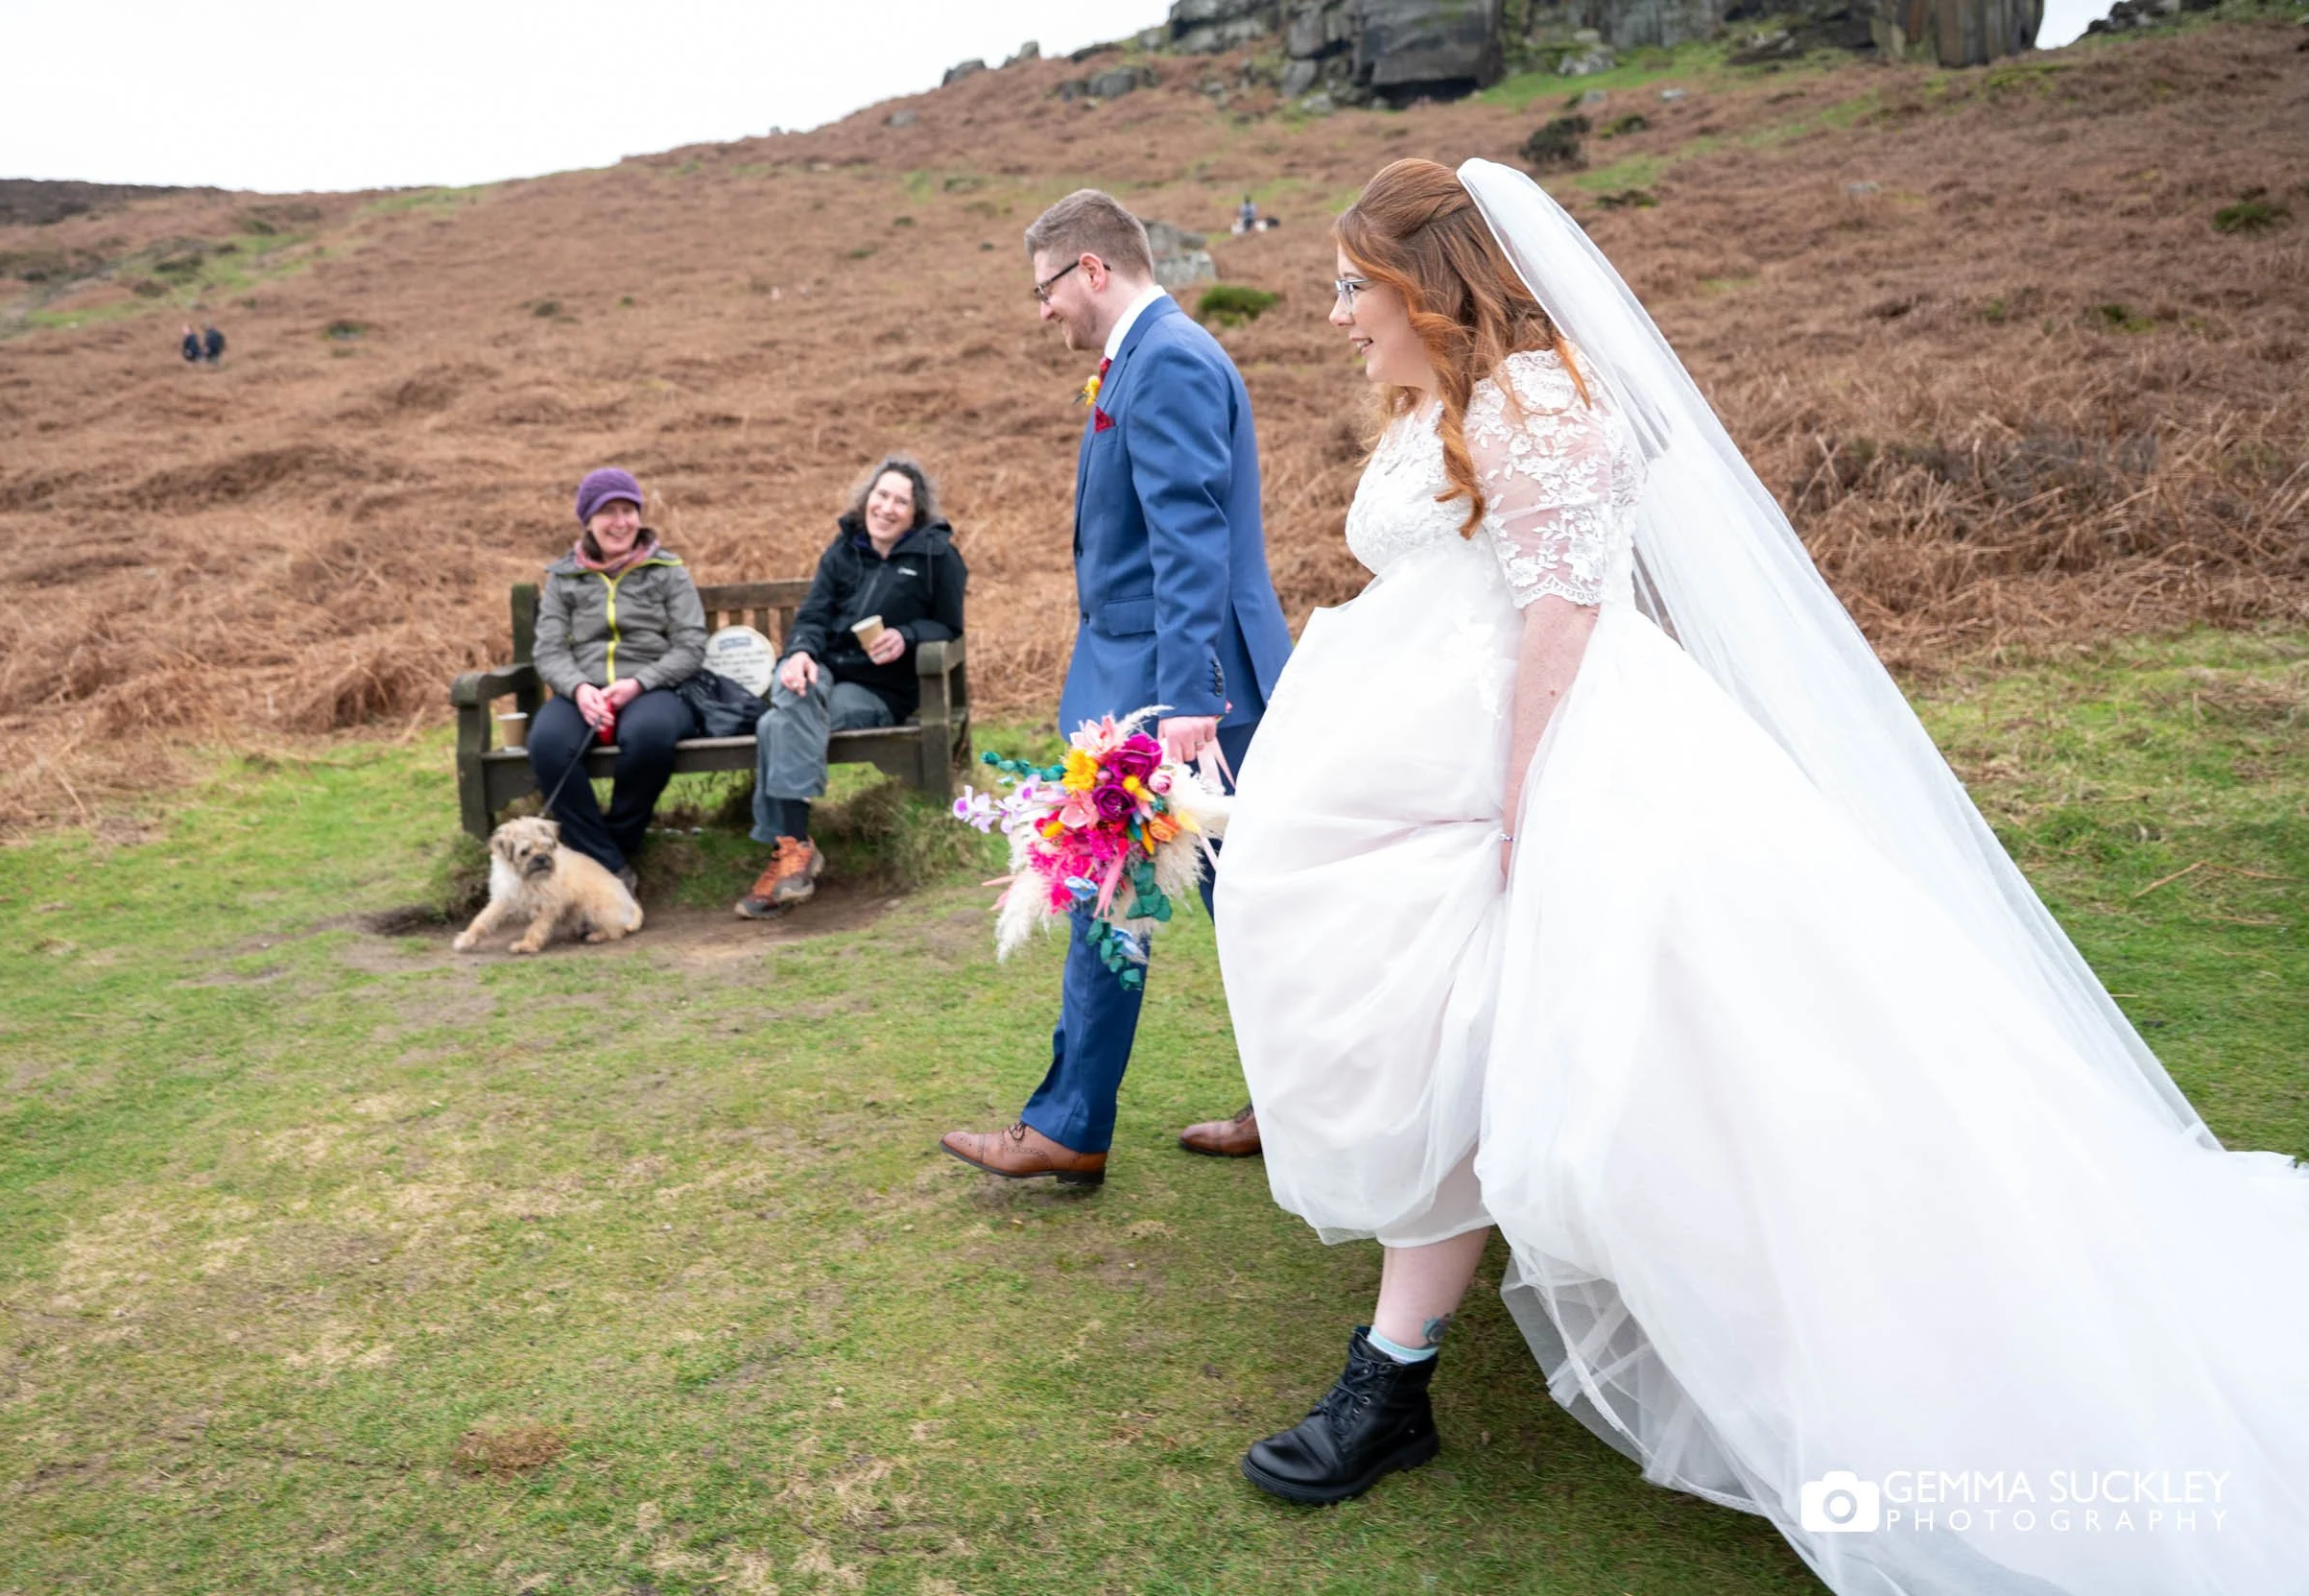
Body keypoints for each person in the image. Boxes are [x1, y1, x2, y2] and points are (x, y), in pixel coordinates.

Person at [1213, 156, 2309, 1588]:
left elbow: (1563, 620)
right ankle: (1397, 1368)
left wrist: (1525, 814)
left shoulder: (1541, 405)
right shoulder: (1450, 400)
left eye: (1353, 283)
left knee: (1645, 1063)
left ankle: (1428, 1373)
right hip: (1430, 774)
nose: (1335, 312)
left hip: (1545, 770)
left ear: (1430, 281)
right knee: (1469, 1041)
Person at [938, 188, 1294, 1186]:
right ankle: (1282, 1104)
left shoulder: (1168, 360)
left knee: (1167, 899)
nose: (1041, 309)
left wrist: (1187, 700)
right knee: (1194, 901)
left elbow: (1191, 540)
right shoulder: (1146, 356)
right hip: (1154, 684)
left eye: (1045, 288)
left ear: (1091, 269)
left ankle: (1078, 1123)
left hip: (1183, 697)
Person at [737, 454, 968, 918]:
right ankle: (797, 849)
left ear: (916, 512)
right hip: (824, 671)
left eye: (900, 501)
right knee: (793, 685)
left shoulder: (937, 556)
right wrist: (800, 652)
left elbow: (949, 626)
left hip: (879, 690)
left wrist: (906, 636)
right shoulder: (843, 550)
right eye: (881, 495)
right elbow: (812, 616)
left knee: (774, 726)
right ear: (867, 498)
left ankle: (791, 850)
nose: (887, 508)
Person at [527, 467, 707, 890]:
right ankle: (609, 865)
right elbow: (549, 650)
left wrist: (640, 683)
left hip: (654, 689)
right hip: (581, 692)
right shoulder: (564, 578)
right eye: (608, 512)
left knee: (650, 737)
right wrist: (579, 688)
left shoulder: (668, 570)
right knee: (547, 745)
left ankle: (612, 850)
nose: (621, 522)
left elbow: (691, 645)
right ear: (588, 520)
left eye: (629, 511)